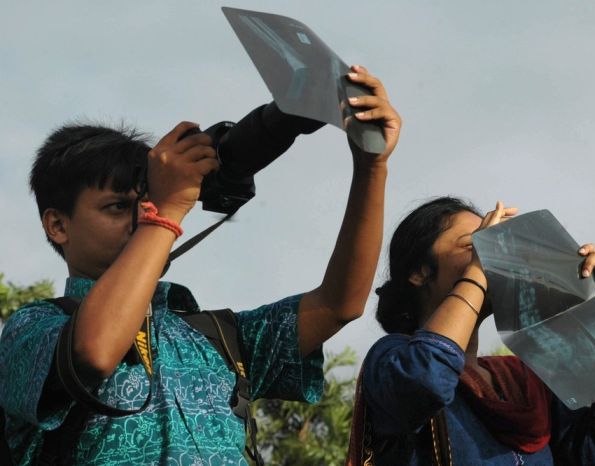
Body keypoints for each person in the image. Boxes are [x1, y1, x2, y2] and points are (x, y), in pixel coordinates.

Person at [0, 65, 401, 465]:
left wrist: (372, 167)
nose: (139, 219)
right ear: (57, 225)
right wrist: (167, 209)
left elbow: (338, 305)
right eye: (118, 207)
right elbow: (95, 353)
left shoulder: (218, 338)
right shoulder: (32, 329)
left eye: (145, 204)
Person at [351, 197, 595, 465]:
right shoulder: (392, 359)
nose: (496, 254)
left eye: (495, 244)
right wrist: (481, 267)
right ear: (419, 272)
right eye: (474, 244)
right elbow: (429, 377)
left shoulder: (522, 379)